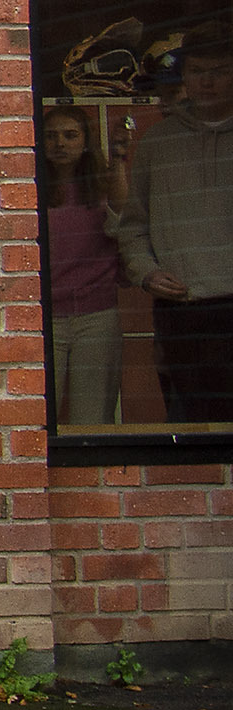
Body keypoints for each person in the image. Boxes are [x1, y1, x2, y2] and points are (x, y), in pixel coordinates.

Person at [115, 25, 233, 424]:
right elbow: (133, 226)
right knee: (192, 436)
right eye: (198, 70)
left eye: (219, 70)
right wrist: (146, 273)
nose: (208, 81)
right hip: (182, 311)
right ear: (184, 75)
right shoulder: (158, 142)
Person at [41, 107, 129, 428]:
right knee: (38, 421)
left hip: (95, 315)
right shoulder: (31, 189)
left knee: (90, 423)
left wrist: (118, 157)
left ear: (85, 141)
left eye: (70, 135)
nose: (59, 143)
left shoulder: (102, 185)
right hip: (45, 317)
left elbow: (124, 217)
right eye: (51, 136)